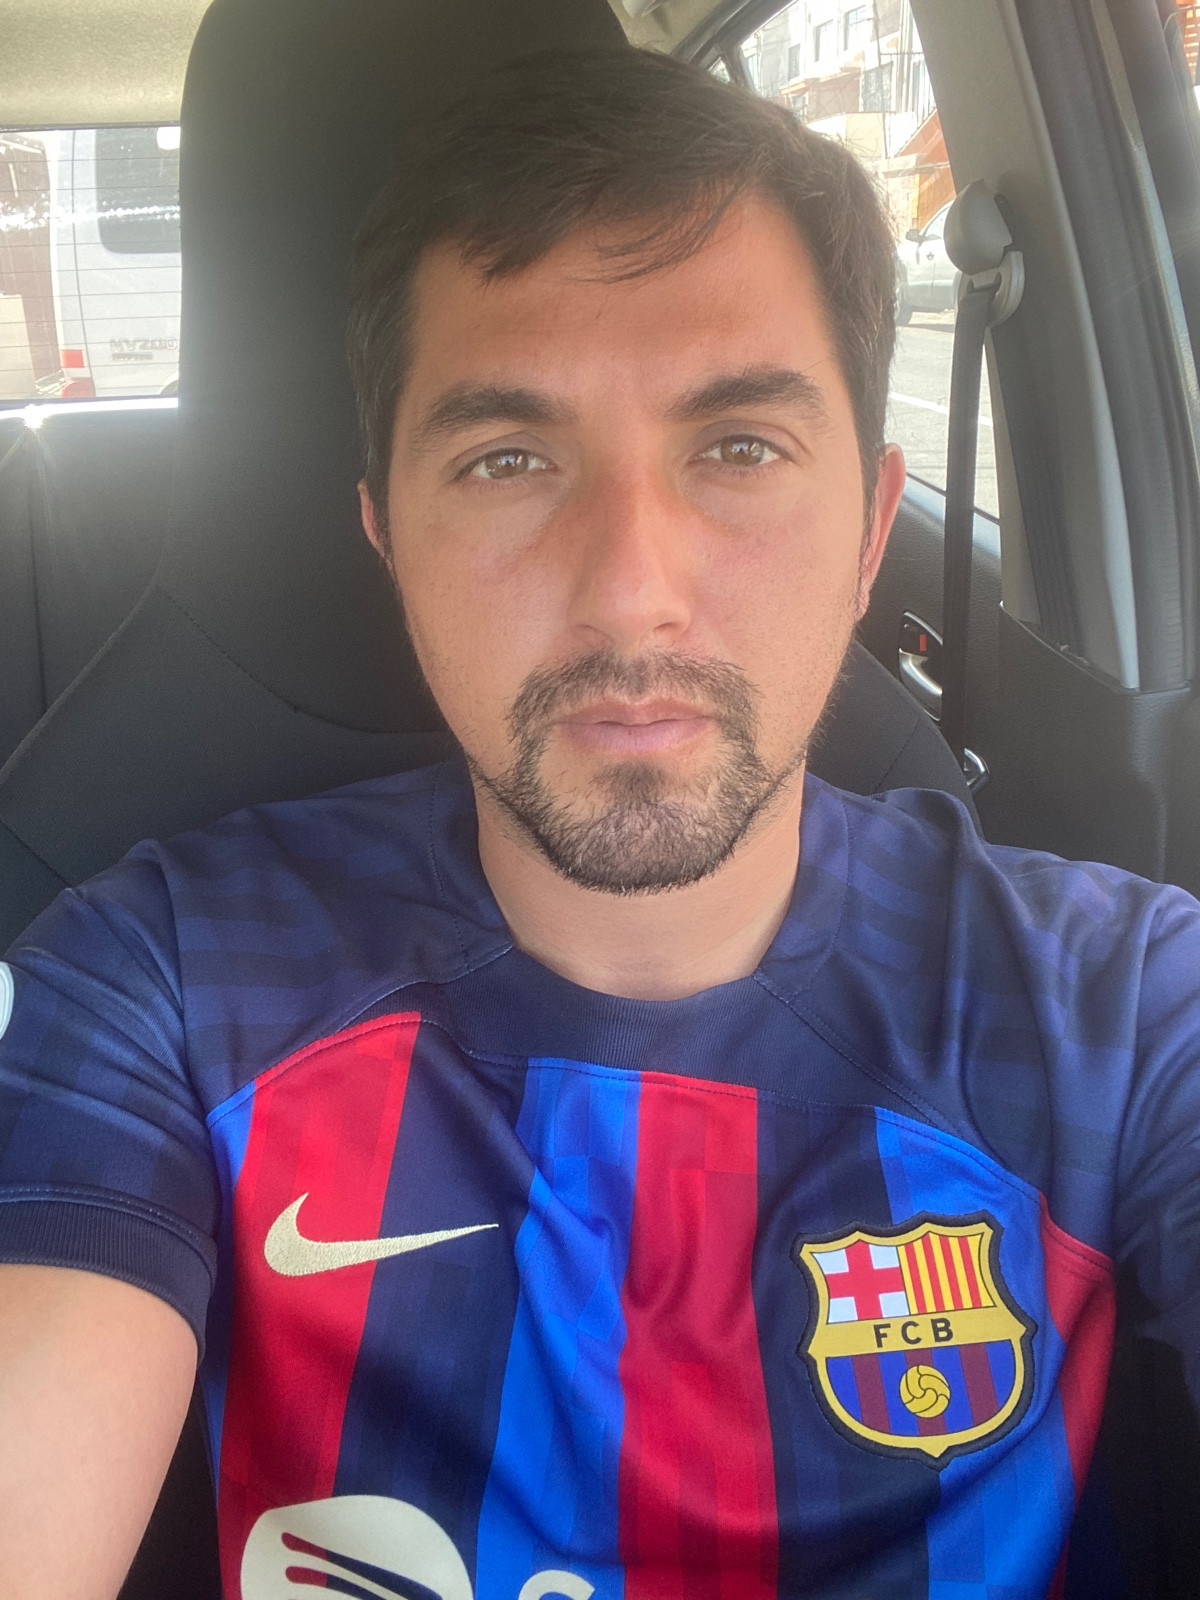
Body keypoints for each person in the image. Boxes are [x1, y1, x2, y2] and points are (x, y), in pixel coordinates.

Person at [1, 44, 1198, 1600]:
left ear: (867, 530)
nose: (631, 591)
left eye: (739, 448)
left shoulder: (1129, 1010)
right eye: (508, 459)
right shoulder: (153, 984)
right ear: (387, 535)